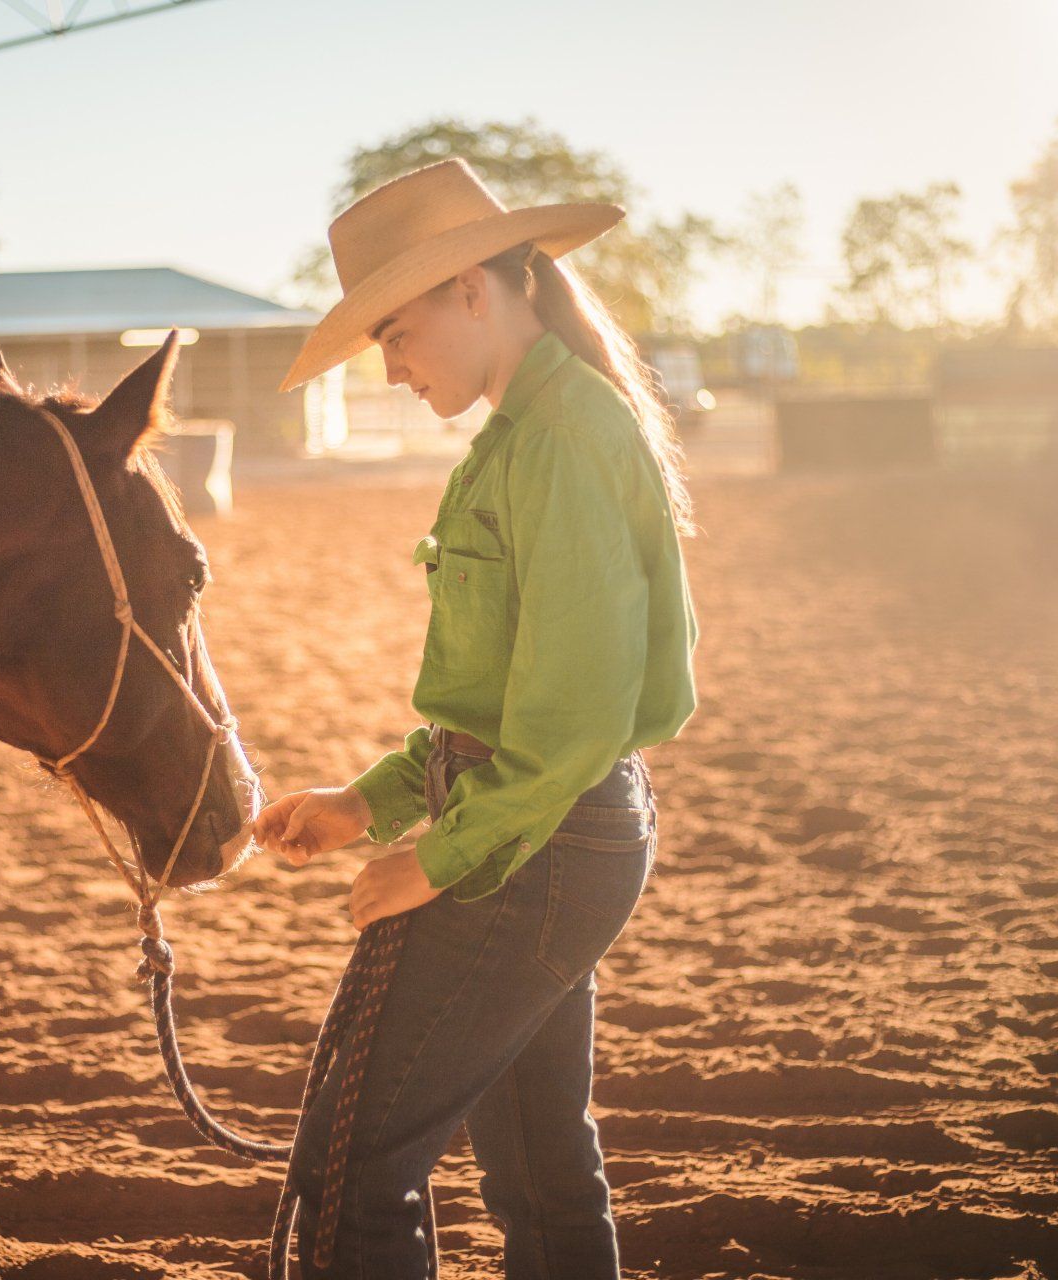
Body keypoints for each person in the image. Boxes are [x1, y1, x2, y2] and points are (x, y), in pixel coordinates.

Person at [251, 157, 701, 1279]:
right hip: (550, 831)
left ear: (471, 290)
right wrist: (368, 802)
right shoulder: (531, 432)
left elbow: (574, 715)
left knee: (356, 1169)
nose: (392, 369)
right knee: (541, 1164)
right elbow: (502, 704)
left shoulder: (557, 439)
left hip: (535, 844)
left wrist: (434, 858)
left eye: (394, 334)